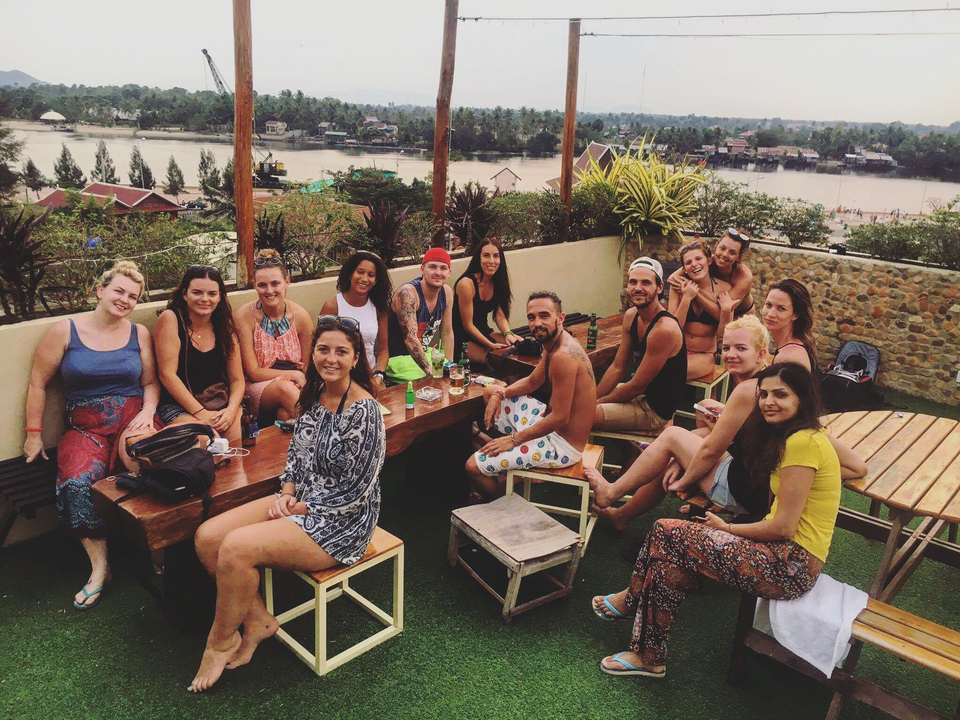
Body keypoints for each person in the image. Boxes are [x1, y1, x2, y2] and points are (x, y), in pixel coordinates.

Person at [590, 363, 865, 678]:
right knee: (671, 554)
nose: (768, 402)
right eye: (763, 394)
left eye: (780, 395)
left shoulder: (803, 442)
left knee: (666, 531)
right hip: (784, 554)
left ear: (801, 399)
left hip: (789, 564)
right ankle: (648, 655)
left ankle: (633, 608)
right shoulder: (796, 435)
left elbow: (783, 527)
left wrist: (728, 528)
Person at [189, 317, 386, 693]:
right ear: (312, 354)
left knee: (235, 548)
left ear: (355, 357)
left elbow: (357, 490)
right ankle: (260, 620)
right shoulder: (313, 396)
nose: (330, 358)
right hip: (299, 500)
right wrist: (287, 492)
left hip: (341, 524)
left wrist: (300, 508)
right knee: (208, 536)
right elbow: (297, 453)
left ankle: (219, 641)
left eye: (341, 351)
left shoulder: (365, 411)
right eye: (323, 349)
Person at [23, 261, 160, 610]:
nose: (125, 300)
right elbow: (38, 383)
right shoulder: (64, 331)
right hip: (86, 427)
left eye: (133, 296)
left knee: (152, 465)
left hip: (132, 417)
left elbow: (149, 383)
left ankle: (161, 550)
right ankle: (101, 569)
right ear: (100, 290)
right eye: (119, 291)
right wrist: (34, 434)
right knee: (77, 480)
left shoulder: (139, 334)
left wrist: (147, 413)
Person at [465, 291, 598, 500]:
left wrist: (514, 440)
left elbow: (560, 417)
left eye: (544, 316)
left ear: (560, 318)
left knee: (472, 467)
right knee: (491, 391)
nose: (537, 323)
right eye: (531, 317)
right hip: (548, 424)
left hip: (561, 446)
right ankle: (507, 460)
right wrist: (500, 394)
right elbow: (532, 382)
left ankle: (499, 493)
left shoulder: (563, 356)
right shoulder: (553, 344)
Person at [594, 257, 686, 435]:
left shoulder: (664, 329)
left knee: (582, 415)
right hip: (639, 394)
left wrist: (596, 404)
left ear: (659, 288)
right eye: (633, 282)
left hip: (654, 410)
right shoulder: (631, 316)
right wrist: (593, 398)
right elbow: (617, 367)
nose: (638, 288)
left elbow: (636, 386)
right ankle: (630, 452)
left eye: (646, 283)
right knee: (583, 401)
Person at [154, 265, 244, 443]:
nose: (205, 299)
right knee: (207, 440)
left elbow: (237, 379)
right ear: (185, 294)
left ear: (219, 297)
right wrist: (201, 414)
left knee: (237, 439)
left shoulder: (223, 326)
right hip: (179, 406)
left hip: (219, 402)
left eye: (212, 294)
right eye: (197, 293)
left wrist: (231, 410)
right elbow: (167, 374)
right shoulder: (171, 319)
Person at [235, 250, 313, 422]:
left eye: (275, 283)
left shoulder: (301, 316)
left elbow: (308, 366)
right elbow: (253, 372)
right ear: (254, 284)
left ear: (286, 282)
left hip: (295, 385)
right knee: (285, 390)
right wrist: (294, 376)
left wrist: (300, 380)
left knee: (285, 415)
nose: (269, 291)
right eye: (262, 285)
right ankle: (326, 433)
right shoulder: (245, 317)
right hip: (258, 386)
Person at [321, 249, 392, 385]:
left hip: (371, 377)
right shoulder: (332, 306)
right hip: (339, 379)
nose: (365, 279)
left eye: (371, 275)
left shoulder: (379, 308)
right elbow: (321, 348)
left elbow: (383, 350)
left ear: (376, 280)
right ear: (350, 273)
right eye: (360, 272)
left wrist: (379, 376)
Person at [668, 241, 733, 381]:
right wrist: (686, 298)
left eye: (698, 259)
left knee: (672, 372)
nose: (694, 264)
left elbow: (724, 335)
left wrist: (696, 294)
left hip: (704, 354)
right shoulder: (678, 287)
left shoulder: (724, 289)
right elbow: (674, 328)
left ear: (709, 260)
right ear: (684, 269)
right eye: (688, 262)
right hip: (676, 350)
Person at [452, 237, 519, 364]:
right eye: (486, 256)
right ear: (479, 258)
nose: (491, 261)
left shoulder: (498, 282)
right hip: (463, 339)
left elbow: (500, 316)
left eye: (496, 256)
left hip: (485, 332)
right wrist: (490, 345)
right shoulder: (466, 284)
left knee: (523, 346)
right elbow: (468, 325)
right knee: (504, 361)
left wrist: (508, 334)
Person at [387, 248, 454, 372]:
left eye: (443, 268)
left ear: (449, 272)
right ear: (422, 269)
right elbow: (410, 339)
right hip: (398, 360)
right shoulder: (408, 294)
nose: (438, 272)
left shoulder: (447, 292)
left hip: (425, 354)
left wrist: (449, 365)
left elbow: (447, 332)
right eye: (432, 267)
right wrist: (431, 372)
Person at [667, 228, 755, 321]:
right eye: (722, 248)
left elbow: (724, 311)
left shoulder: (743, 276)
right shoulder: (707, 261)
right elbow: (672, 279)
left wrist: (694, 292)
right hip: (715, 309)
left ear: (739, 257)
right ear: (716, 246)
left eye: (732, 252)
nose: (725, 254)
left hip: (743, 314)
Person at [762, 278, 817, 371]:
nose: (771, 314)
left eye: (781, 308)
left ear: (795, 315)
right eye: (768, 305)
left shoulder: (789, 358)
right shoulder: (790, 348)